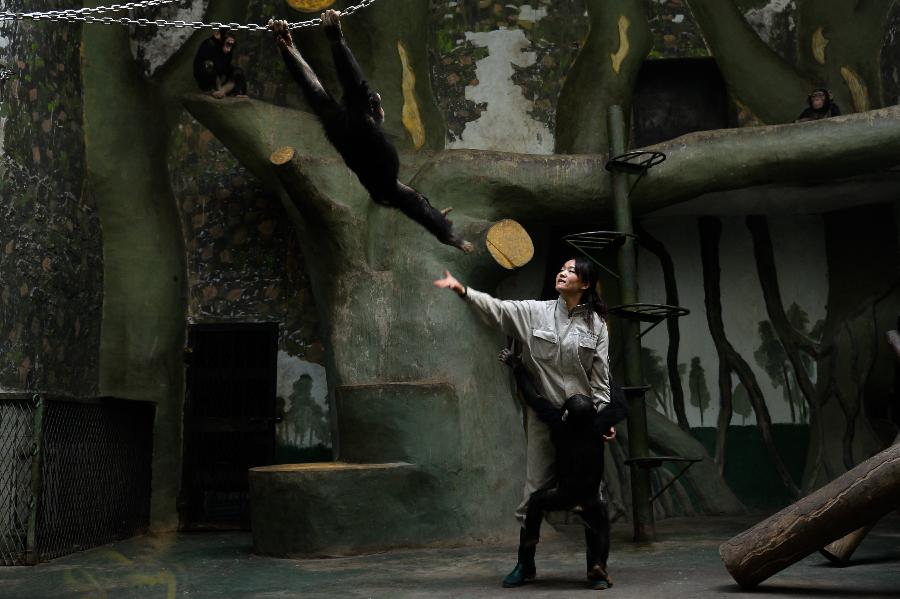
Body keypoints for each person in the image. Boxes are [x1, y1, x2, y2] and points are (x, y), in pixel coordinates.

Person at [433, 257, 614, 587]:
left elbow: (601, 382)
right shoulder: (536, 312)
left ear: (585, 284)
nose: (562, 271)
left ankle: (596, 566)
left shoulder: (597, 327)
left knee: (591, 493)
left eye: (571, 270)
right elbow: (499, 310)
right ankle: (525, 563)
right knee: (535, 491)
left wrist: (601, 420)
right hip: (545, 418)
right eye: (561, 267)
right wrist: (463, 290)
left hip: (581, 421)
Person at [268, 13, 472, 252]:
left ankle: (441, 226)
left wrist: (289, 49)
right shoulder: (362, 121)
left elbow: (311, 84)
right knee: (415, 201)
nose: (381, 108)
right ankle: (447, 234)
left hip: (377, 182)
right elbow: (354, 85)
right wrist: (336, 40)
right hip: (382, 183)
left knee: (415, 200)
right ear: (369, 110)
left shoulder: (335, 122)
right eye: (376, 105)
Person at [498, 348, 627, 589]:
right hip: (588, 498)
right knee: (602, 525)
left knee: (535, 502)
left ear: (566, 415)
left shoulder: (559, 424)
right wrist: (608, 374)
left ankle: (535, 537)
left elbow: (533, 398)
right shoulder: (598, 424)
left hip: (563, 494)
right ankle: (598, 564)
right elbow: (620, 407)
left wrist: (517, 368)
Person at [193, 28, 247, 99]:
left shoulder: (228, 51)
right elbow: (213, 68)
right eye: (228, 44)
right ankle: (213, 90)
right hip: (205, 75)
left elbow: (224, 68)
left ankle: (237, 92)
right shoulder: (210, 44)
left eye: (232, 45)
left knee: (238, 72)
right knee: (209, 64)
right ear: (222, 41)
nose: (229, 49)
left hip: (218, 74)